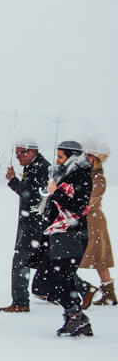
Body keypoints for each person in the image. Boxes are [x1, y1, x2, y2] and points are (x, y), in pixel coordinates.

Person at [31, 140, 94, 336]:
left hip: (72, 235)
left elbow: (77, 206)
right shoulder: (60, 174)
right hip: (56, 234)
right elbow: (50, 202)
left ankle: (75, 316)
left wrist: (55, 191)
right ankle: (79, 318)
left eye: (60, 157)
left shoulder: (82, 176)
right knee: (43, 282)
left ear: (72, 157)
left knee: (59, 279)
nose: (57, 160)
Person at [0, 139, 50, 312]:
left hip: (35, 223)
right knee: (48, 260)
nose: (18, 156)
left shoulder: (39, 168)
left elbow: (32, 195)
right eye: (17, 153)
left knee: (21, 261)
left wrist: (13, 180)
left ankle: (20, 302)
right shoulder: (34, 167)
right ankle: (82, 289)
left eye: (22, 152)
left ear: (32, 152)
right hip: (36, 222)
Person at [79, 145, 114, 307]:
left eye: (89, 156)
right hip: (85, 219)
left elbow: (91, 200)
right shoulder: (86, 174)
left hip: (93, 221)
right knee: (89, 255)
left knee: (99, 257)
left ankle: (108, 292)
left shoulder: (98, 178)